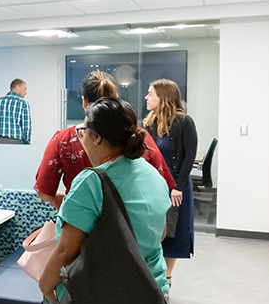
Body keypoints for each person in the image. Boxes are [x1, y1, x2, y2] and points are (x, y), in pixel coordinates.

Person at [38, 97, 170, 304]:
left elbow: (66, 251)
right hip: (151, 303)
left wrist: (45, 284)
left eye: (84, 130)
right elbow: (160, 233)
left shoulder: (92, 182)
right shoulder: (153, 176)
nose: (80, 136)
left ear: (97, 136)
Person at [36, 71, 174, 209]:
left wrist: (71, 204)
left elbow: (45, 193)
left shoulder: (63, 139)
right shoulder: (138, 136)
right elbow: (161, 185)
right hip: (132, 224)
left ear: (84, 101)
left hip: (81, 224)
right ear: (116, 101)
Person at [143, 79, 198, 284]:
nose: (146, 97)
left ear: (163, 97)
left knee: (173, 233)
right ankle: (154, 276)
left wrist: (177, 187)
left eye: (151, 94)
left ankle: (166, 278)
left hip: (176, 188)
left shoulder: (184, 122)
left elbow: (188, 158)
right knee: (155, 232)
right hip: (154, 187)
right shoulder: (149, 123)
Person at [0, 78, 31, 144]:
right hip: (17, 142)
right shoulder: (23, 103)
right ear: (17, 88)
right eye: (25, 89)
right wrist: (26, 143)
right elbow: (26, 128)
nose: (26, 92)